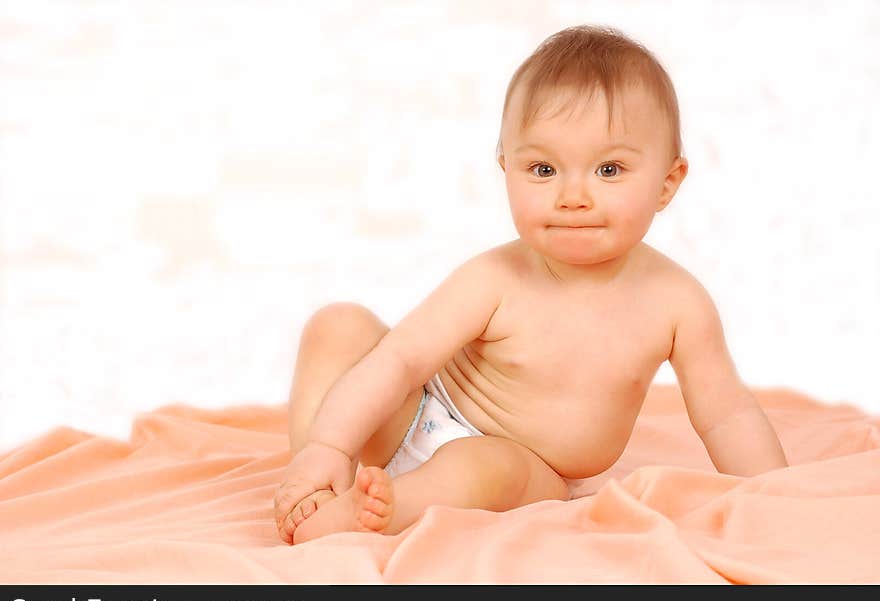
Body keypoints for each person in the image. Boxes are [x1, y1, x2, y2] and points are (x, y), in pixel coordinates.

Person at [273, 24, 788, 545]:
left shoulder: (678, 304)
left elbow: (727, 414)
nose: (572, 196)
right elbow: (401, 362)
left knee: (483, 467)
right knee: (337, 325)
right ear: (507, 169)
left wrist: (775, 495)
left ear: (667, 182)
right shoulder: (494, 277)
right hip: (415, 419)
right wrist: (332, 444)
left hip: (526, 467)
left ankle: (387, 510)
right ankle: (313, 485)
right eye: (543, 168)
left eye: (609, 170)